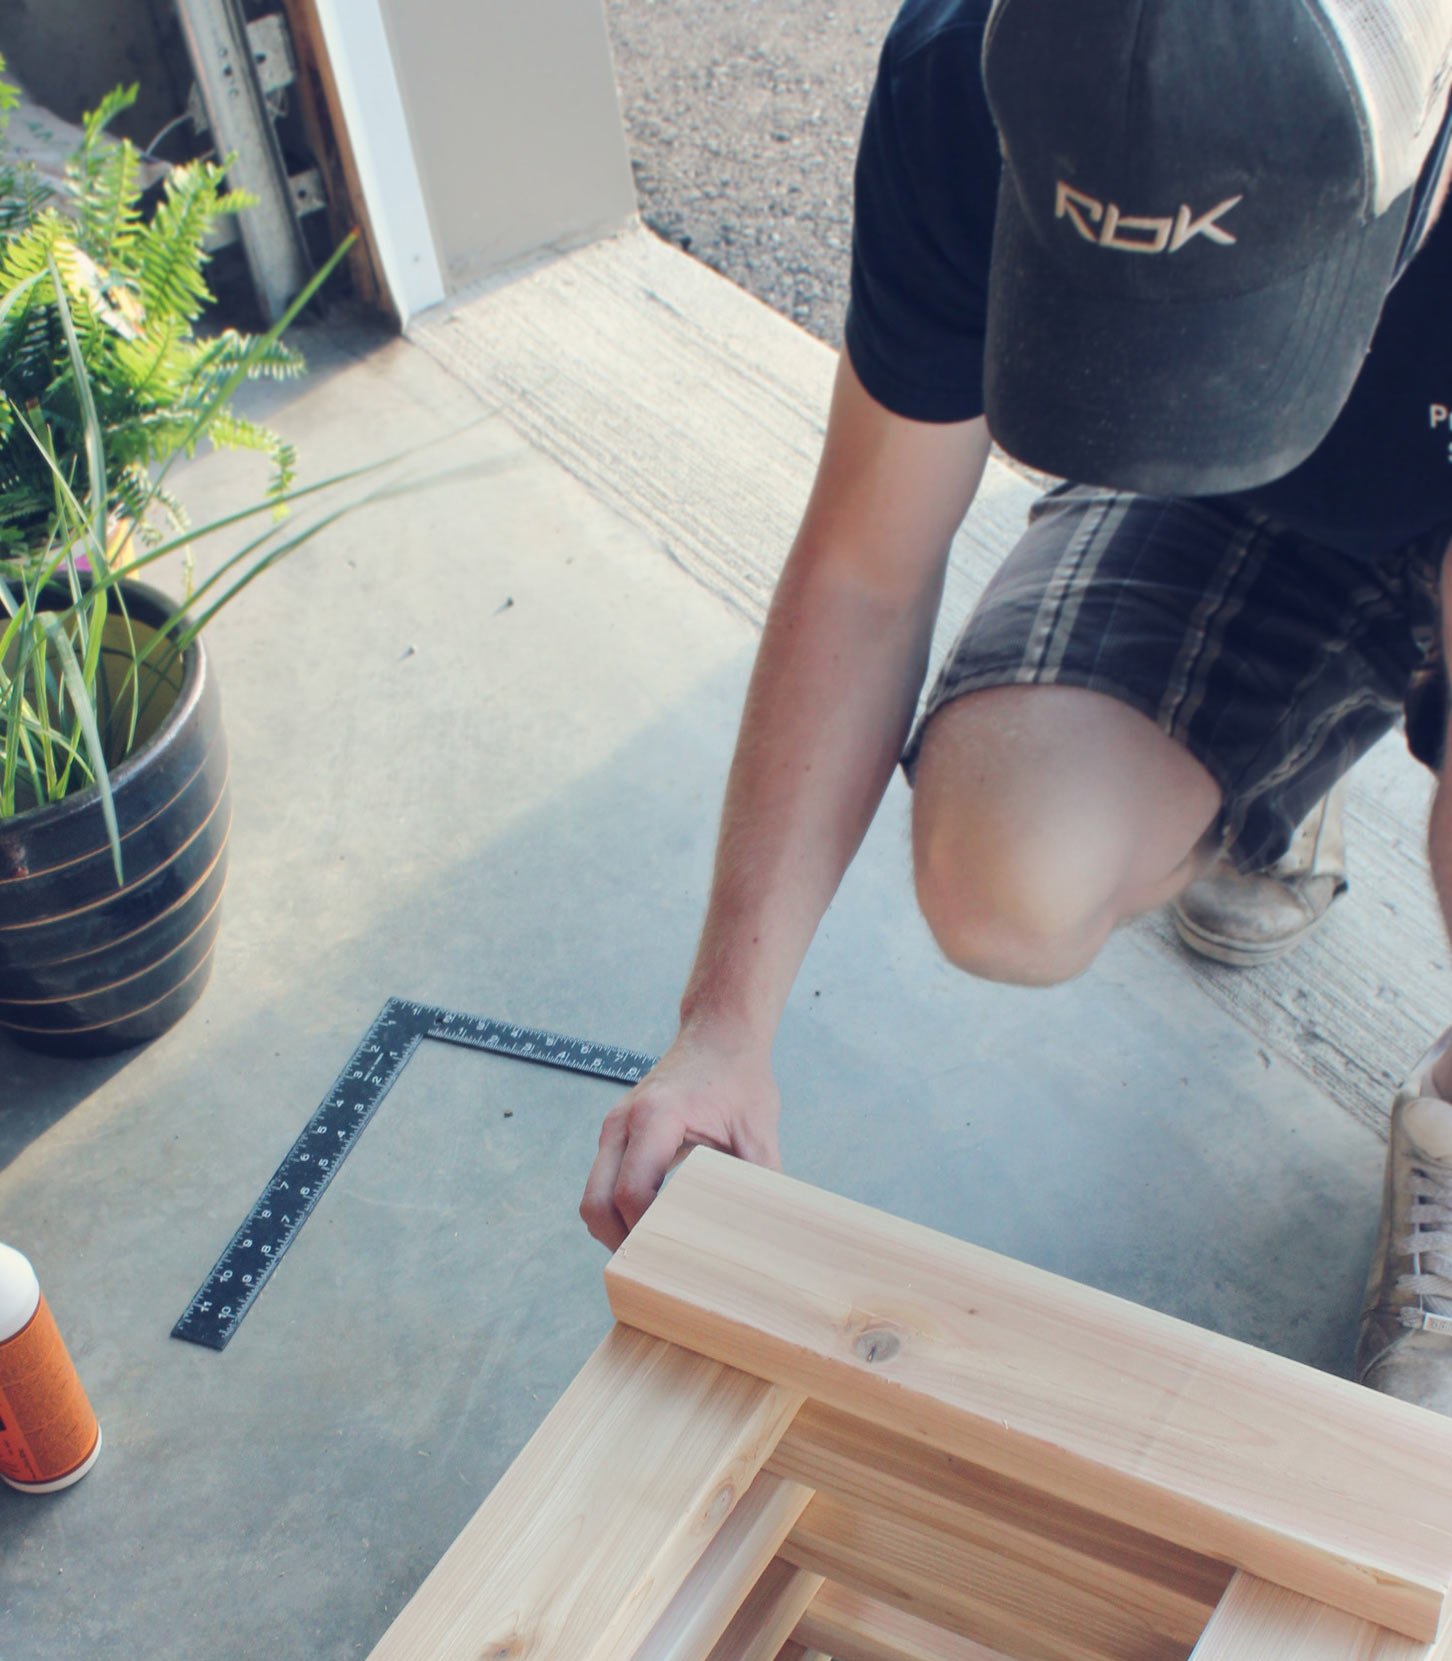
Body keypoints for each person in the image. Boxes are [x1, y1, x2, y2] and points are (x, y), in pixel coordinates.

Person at [580, 0, 1452, 1414]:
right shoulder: (971, 76)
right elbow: (867, 565)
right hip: (1236, 501)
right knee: (1007, 875)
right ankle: (1271, 772)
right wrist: (723, 1027)